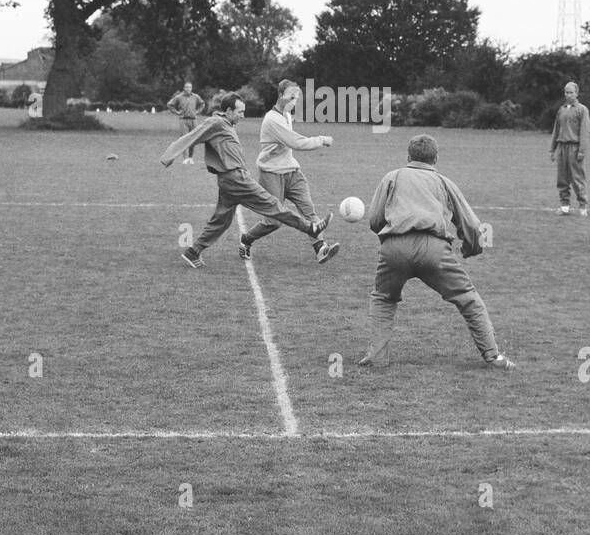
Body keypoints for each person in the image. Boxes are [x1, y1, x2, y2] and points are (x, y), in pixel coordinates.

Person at [359, 134, 515, 371]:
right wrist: (471, 247)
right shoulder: (444, 182)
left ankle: (378, 358)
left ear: (407, 156)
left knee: (383, 298)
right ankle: (494, 357)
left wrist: (392, 236)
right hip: (433, 249)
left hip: (394, 248)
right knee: (468, 299)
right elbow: (471, 224)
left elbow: (374, 219)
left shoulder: (392, 177)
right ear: (436, 159)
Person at [159, 94, 331, 268]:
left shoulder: (226, 124)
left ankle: (193, 251)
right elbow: (191, 136)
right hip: (235, 179)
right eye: (240, 112)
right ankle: (311, 228)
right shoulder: (216, 123)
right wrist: (169, 155)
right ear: (228, 110)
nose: (243, 115)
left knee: (221, 221)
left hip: (229, 180)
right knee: (272, 204)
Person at [239, 79, 339, 264]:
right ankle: (246, 240)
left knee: (309, 210)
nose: (294, 100)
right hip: (271, 174)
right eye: (291, 96)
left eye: (297, 97)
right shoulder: (272, 119)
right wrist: (321, 139)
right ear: (280, 95)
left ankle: (321, 249)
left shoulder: (286, 115)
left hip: (292, 171)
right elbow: (296, 142)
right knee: (273, 222)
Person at [549, 81, 590, 214]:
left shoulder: (582, 110)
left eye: (571, 92)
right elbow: (556, 130)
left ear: (577, 93)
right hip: (562, 147)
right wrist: (552, 149)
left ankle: (583, 206)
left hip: (574, 148)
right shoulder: (561, 110)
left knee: (577, 178)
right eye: (566, 92)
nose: (568, 95)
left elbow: (585, 131)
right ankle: (564, 207)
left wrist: (582, 150)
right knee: (562, 178)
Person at [166, 80, 205, 164]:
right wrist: (177, 112)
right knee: (184, 139)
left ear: (192, 88)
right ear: (184, 88)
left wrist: (197, 112)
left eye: (190, 87)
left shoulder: (196, 97)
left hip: (193, 120)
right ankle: (185, 158)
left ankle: (191, 158)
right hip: (183, 120)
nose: (188, 89)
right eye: (187, 87)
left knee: (193, 139)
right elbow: (170, 104)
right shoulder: (179, 97)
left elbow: (202, 104)